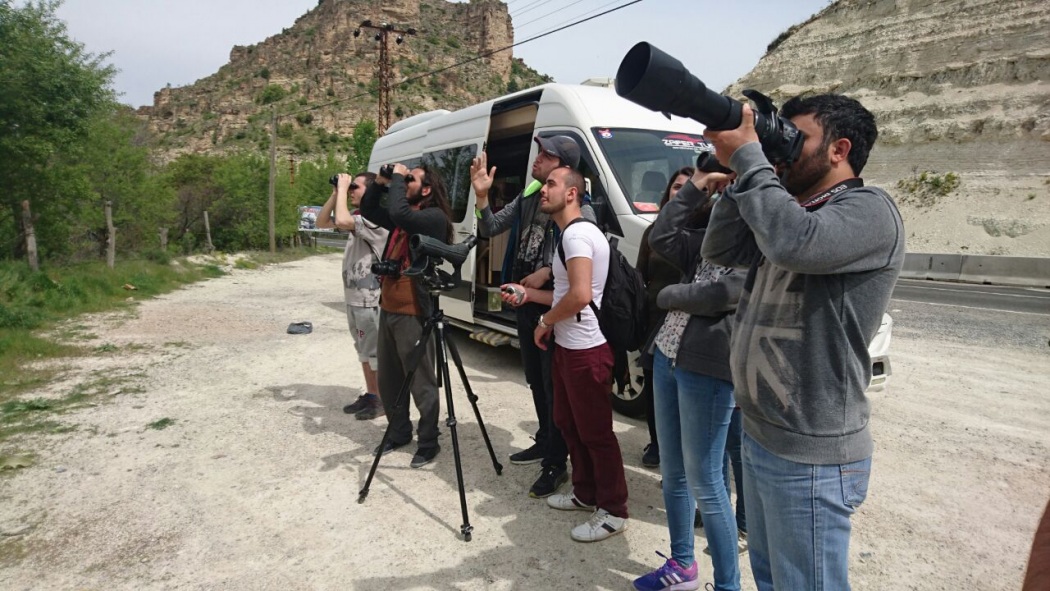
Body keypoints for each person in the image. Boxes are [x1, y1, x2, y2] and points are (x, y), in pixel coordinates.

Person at [701, 94, 905, 590]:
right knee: (772, 580)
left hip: (810, 454)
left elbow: (796, 244)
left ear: (839, 149)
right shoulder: (787, 209)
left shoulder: (870, 210)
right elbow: (719, 249)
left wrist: (751, 159)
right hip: (762, 435)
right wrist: (742, 177)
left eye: (798, 139)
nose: (785, 151)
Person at [632, 167, 744, 591]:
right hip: (667, 355)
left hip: (709, 369)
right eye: (723, 189)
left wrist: (669, 295)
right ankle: (682, 565)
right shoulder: (705, 243)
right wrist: (696, 185)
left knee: (708, 483)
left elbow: (721, 296)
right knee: (674, 473)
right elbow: (660, 236)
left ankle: (728, 585)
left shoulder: (758, 246)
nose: (726, 195)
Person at [469, 135, 593, 499]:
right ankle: (545, 439)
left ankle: (556, 462)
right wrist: (481, 198)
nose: (536, 159)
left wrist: (547, 271)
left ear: (564, 166)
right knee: (536, 381)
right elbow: (490, 227)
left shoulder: (581, 206)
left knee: (554, 388)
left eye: (545, 155)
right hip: (526, 304)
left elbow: (585, 254)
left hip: (554, 307)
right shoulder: (530, 195)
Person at [516, 166, 627, 542]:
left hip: (586, 350)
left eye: (550, 184)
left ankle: (613, 509)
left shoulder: (578, 235)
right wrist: (530, 296)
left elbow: (580, 296)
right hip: (568, 346)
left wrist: (544, 321)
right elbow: (568, 294)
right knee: (568, 423)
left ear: (571, 194)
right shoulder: (569, 235)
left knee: (596, 433)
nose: (542, 190)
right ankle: (585, 492)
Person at [360, 163, 455, 469]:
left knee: (421, 382)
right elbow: (368, 209)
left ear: (426, 190)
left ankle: (428, 441)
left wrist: (398, 176)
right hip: (389, 309)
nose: (403, 183)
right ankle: (399, 432)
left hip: (414, 312)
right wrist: (380, 182)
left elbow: (399, 213)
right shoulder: (405, 216)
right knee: (389, 380)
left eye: (410, 179)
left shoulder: (432, 218)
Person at [635, 167, 698, 468]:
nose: (680, 192)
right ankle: (657, 443)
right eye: (676, 186)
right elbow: (640, 276)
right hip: (655, 319)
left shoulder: (708, 233)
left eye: (688, 187)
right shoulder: (654, 231)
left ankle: (684, 453)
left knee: (686, 392)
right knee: (654, 387)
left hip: (692, 324)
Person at [316, 172, 388, 420]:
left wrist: (343, 188)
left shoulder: (374, 220)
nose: (351, 191)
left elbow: (342, 219)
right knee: (363, 352)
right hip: (355, 298)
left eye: (355, 187)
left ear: (371, 191)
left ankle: (382, 399)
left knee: (375, 354)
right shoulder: (357, 218)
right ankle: (372, 394)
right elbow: (321, 222)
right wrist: (336, 193)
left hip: (369, 299)